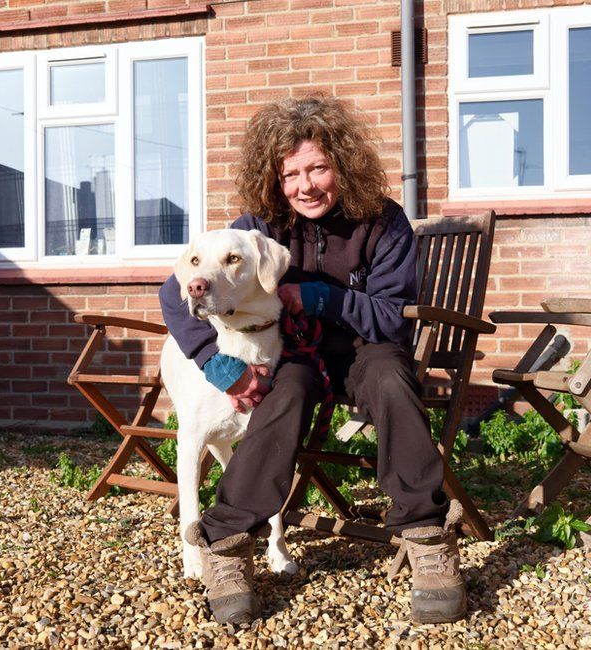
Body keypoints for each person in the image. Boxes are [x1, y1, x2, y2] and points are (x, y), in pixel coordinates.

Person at [159, 95, 466, 625]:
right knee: (283, 393)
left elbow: (394, 318)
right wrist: (219, 363)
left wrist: (325, 299)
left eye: (318, 168)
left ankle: (428, 540)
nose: (305, 186)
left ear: (342, 165)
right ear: (275, 180)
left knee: (394, 382)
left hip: (367, 351)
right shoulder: (260, 225)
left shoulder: (384, 222)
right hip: (296, 355)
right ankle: (228, 546)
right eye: (290, 174)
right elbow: (175, 296)